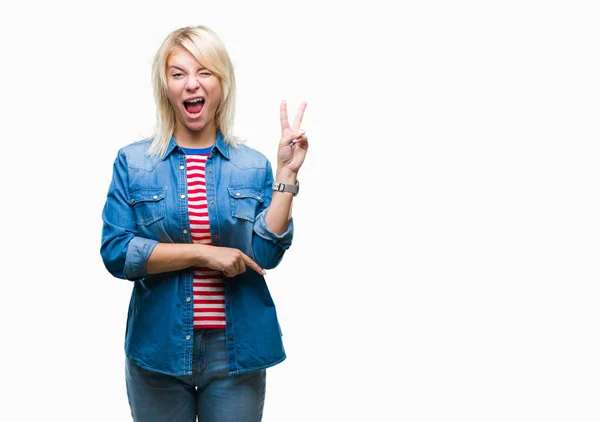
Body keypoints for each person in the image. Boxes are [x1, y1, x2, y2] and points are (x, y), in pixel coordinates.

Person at [100, 24, 308, 422]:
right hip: (158, 349)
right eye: (178, 74)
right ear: (165, 86)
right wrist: (207, 255)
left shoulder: (253, 164)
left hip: (236, 353)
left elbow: (266, 253)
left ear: (222, 83)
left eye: (204, 72)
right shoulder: (134, 162)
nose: (191, 84)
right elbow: (116, 252)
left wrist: (287, 173)